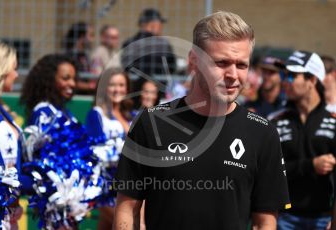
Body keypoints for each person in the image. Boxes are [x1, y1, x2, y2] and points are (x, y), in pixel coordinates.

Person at [113, 11, 290, 230]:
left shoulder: (262, 133)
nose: (233, 74)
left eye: (242, 65)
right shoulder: (151, 123)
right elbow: (127, 209)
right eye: (222, 62)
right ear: (193, 61)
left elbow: (265, 222)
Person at [269, 50, 336, 229]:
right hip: (284, 217)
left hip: (325, 219)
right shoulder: (275, 121)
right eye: (284, 75)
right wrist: (310, 165)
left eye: (291, 76)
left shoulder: (333, 120)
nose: (284, 81)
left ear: (312, 80)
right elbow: (270, 172)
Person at [85, 67, 135, 230]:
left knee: (107, 226)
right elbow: (95, 152)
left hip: (127, 184)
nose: (117, 89)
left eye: (121, 85)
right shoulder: (97, 114)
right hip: (105, 186)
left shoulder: (130, 115)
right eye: (112, 85)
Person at [0, 39, 27, 229]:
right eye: (13, 68)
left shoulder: (2, 109)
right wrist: (31, 183)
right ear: (0, 69)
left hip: (8, 214)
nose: (16, 74)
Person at [121, 8, 176, 104]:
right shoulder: (163, 44)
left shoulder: (128, 43)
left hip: (133, 95)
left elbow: (124, 67)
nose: (161, 26)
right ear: (153, 24)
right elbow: (172, 68)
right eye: (160, 23)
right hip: (157, 96)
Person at [20, 54, 78, 126]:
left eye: (74, 79)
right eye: (65, 78)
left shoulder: (65, 111)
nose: (73, 84)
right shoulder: (43, 112)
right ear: (49, 79)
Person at [63, 22, 95, 94]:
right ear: (82, 37)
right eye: (91, 35)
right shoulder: (70, 56)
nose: (93, 40)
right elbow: (70, 80)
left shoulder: (84, 55)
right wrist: (92, 86)